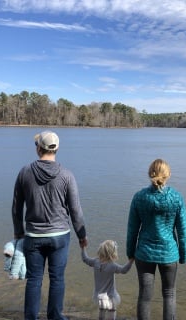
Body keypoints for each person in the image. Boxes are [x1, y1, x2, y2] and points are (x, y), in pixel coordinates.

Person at [12, 130, 87, 320]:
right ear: (57, 148)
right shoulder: (67, 175)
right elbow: (76, 210)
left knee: (34, 279)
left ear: (39, 148)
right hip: (60, 236)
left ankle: (31, 317)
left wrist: (18, 233)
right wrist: (82, 236)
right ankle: (55, 316)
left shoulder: (24, 172)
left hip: (33, 236)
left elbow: (16, 207)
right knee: (57, 278)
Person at [126, 159, 186, 320]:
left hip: (144, 254)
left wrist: (130, 252)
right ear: (168, 175)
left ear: (150, 174)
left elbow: (132, 229)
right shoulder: (176, 197)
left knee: (145, 296)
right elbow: (183, 231)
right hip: (169, 254)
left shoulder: (139, 197)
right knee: (169, 294)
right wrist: (183, 255)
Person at [81, 240, 134, 320]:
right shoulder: (112, 265)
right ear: (112, 253)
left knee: (101, 310)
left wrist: (83, 248)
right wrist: (131, 261)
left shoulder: (95, 262)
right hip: (110, 297)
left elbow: (85, 259)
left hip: (99, 296)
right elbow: (124, 270)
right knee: (112, 311)